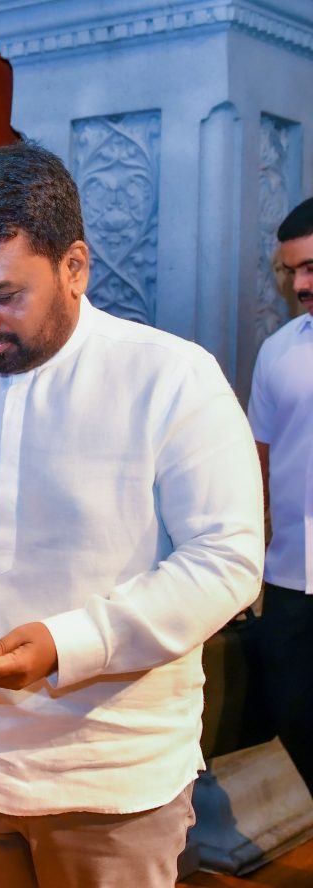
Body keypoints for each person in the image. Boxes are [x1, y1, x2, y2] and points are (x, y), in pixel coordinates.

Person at [0, 143, 265, 887]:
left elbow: (225, 561)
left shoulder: (170, 376)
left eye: (2, 294)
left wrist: (70, 643)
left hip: (112, 774)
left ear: (75, 267)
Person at [247, 195, 313, 793]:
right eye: (291, 271)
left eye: (311, 268)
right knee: (294, 715)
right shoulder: (281, 350)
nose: (301, 285)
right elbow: (257, 466)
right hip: (293, 578)